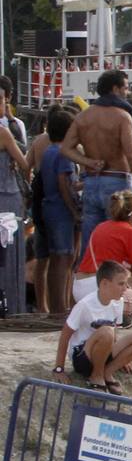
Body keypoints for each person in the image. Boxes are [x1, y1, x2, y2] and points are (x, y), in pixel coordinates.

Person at [61, 70, 132, 255]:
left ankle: (86, 280)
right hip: (117, 182)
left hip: (91, 182)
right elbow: (131, 154)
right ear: (115, 89)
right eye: (124, 88)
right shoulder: (123, 117)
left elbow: (66, 148)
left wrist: (88, 161)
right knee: (118, 237)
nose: (126, 92)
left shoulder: (83, 116)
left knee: (89, 242)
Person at [53, 260, 132, 394]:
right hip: (83, 357)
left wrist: (122, 358)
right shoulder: (85, 305)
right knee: (106, 331)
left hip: (105, 351)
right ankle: (96, 375)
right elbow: (65, 335)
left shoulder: (118, 302)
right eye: (121, 284)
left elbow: (115, 332)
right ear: (105, 284)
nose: (125, 289)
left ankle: (108, 372)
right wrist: (59, 368)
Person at [37, 108, 79, 314]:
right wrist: (74, 209)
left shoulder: (48, 152)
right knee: (63, 259)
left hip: (49, 207)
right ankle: (60, 307)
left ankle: (56, 306)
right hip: (61, 211)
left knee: (56, 259)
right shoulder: (63, 153)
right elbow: (63, 183)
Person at [0, 76, 28, 314]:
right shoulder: (5, 132)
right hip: (7, 195)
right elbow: (25, 163)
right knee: (10, 255)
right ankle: (13, 308)